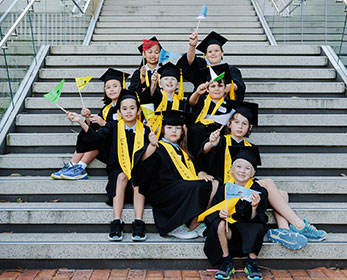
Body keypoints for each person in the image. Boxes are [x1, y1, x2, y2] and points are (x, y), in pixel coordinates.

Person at [203, 100, 327, 250]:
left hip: (245, 192)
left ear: (250, 127)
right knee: (267, 183)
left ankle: (284, 231)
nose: (240, 126)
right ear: (229, 124)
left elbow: (250, 178)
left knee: (282, 194)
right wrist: (211, 143)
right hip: (228, 192)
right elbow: (205, 155)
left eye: (244, 123)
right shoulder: (221, 141)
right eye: (236, 122)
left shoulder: (250, 148)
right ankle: (299, 225)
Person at [66, 90, 152, 242]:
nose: (129, 111)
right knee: (121, 176)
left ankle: (139, 221)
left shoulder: (145, 129)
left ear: (139, 111)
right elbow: (96, 138)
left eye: (132, 108)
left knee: (139, 176)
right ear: (118, 112)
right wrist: (81, 121)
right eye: (124, 109)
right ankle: (116, 221)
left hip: (139, 169)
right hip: (118, 167)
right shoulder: (113, 127)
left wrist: (153, 142)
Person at [132, 110, 219, 239]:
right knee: (198, 186)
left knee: (214, 182)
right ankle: (174, 226)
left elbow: (194, 164)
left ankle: (195, 222)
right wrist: (151, 146)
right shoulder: (158, 147)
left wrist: (200, 172)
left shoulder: (182, 149)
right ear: (163, 130)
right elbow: (143, 161)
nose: (174, 131)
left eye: (177, 128)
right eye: (170, 128)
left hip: (179, 187)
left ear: (182, 131)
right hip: (162, 190)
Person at [198, 146, 267, 280]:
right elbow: (213, 210)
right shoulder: (225, 188)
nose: (242, 171)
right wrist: (221, 213)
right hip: (228, 235)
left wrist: (254, 207)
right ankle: (226, 261)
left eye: (247, 168)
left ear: (253, 173)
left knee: (260, 226)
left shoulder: (258, 190)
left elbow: (258, 218)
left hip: (248, 235)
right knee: (219, 223)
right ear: (231, 170)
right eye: (239, 167)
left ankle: (251, 261)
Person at [51, 68, 130, 180]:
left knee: (99, 137)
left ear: (122, 87)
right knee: (88, 133)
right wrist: (88, 118)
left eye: (115, 86)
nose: (111, 89)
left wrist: (104, 123)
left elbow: (126, 126)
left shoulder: (126, 105)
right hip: (105, 142)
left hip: (118, 146)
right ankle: (72, 164)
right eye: (108, 87)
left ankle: (81, 167)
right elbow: (94, 127)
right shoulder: (106, 108)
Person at [177, 31, 245, 100]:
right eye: (210, 52)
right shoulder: (202, 65)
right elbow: (190, 61)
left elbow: (239, 84)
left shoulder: (231, 69)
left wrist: (230, 87)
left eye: (216, 51)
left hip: (224, 103)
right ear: (206, 55)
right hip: (202, 104)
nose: (213, 54)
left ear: (222, 53)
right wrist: (192, 46)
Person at [188, 63, 234, 158]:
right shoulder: (202, 99)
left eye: (220, 86)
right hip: (197, 137)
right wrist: (197, 93)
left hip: (216, 139)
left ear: (225, 88)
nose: (216, 89)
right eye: (213, 86)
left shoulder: (228, 106)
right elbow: (191, 103)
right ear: (207, 89)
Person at [141, 62, 187, 135]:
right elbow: (148, 97)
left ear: (177, 85)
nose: (169, 81)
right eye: (166, 79)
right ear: (160, 84)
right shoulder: (157, 96)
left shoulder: (181, 102)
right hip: (153, 131)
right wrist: (153, 83)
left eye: (173, 79)